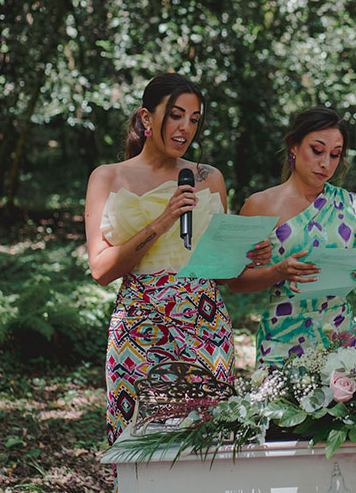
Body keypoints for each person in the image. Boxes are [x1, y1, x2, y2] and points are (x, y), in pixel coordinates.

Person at [83, 73, 270, 447]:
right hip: (140, 326)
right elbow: (101, 270)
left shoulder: (209, 178)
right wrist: (163, 221)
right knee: (136, 443)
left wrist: (247, 256)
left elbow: (224, 272)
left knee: (207, 442)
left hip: (204, 323)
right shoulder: (106, 177)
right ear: (147, 119)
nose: (186, 127)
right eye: (176, 115)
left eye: (195, 119)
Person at [229, 106, 356, 365]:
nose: (326, 163)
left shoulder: (354, 207)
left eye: (335, 155)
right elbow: (235, 282)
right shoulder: (260, 205)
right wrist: (277, 272)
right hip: (281, 340)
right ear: (293, 145)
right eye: (317, 150)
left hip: (342, 340)